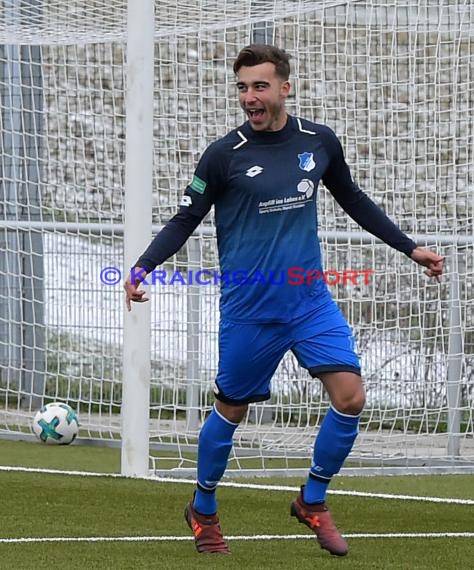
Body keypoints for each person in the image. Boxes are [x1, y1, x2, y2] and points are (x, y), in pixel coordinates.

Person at [124, 44, 444, 557]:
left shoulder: (319, 142)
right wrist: (142, 267)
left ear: (285, 87)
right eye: (242, 87)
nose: (249, 97)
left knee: (351, 396)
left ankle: (312, 500)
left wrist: (410, 248)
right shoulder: (223, 155)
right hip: (250, 309)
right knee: (231, 410)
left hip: (309, 302)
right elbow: (185, 219)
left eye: (259, 86)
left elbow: (354, 198)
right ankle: (203, 508)